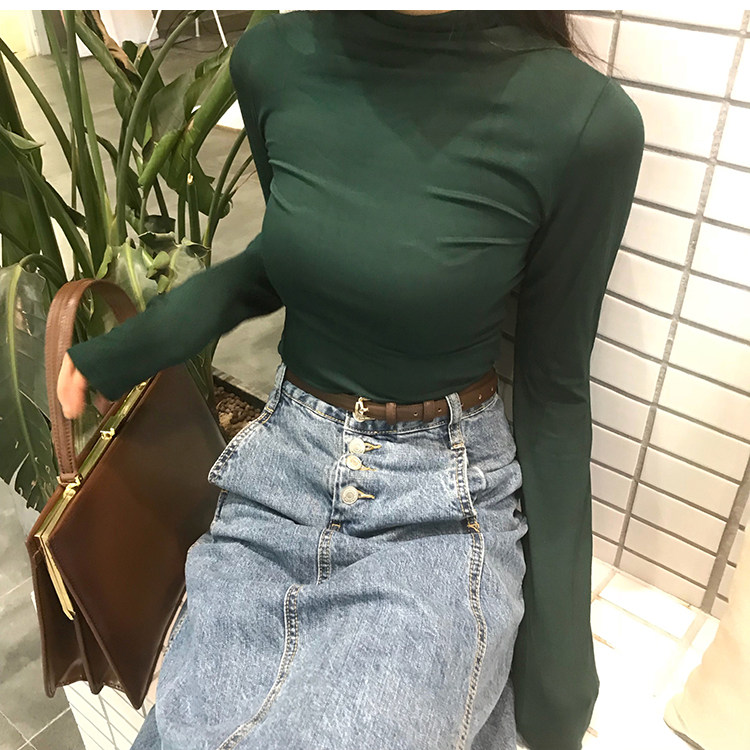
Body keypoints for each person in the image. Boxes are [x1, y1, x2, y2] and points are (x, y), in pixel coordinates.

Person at [57, 10, 645, 750]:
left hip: (439, 500)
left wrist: (561, 656)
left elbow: (554, 390)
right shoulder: (274, 59)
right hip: (284, 470)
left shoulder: (581, 122)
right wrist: (139, 345)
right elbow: (286, 255)